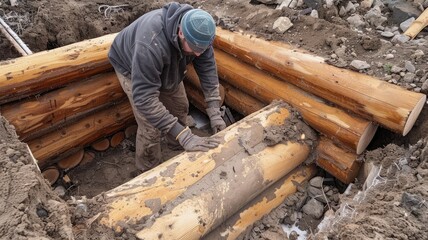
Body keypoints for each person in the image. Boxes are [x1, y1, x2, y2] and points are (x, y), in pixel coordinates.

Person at [108, 2, 226, 172]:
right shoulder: (150, 44)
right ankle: (148, 170)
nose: (198, 54)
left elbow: (207, 68)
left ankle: (177, 147)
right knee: (151, 126)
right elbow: (145, 98)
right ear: (180, 33)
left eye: (202, 48)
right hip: (131, 67)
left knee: (180, 108)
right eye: (194, 49)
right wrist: (185, 135)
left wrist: (214, 110)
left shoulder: (200, 33)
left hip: (167, 62)